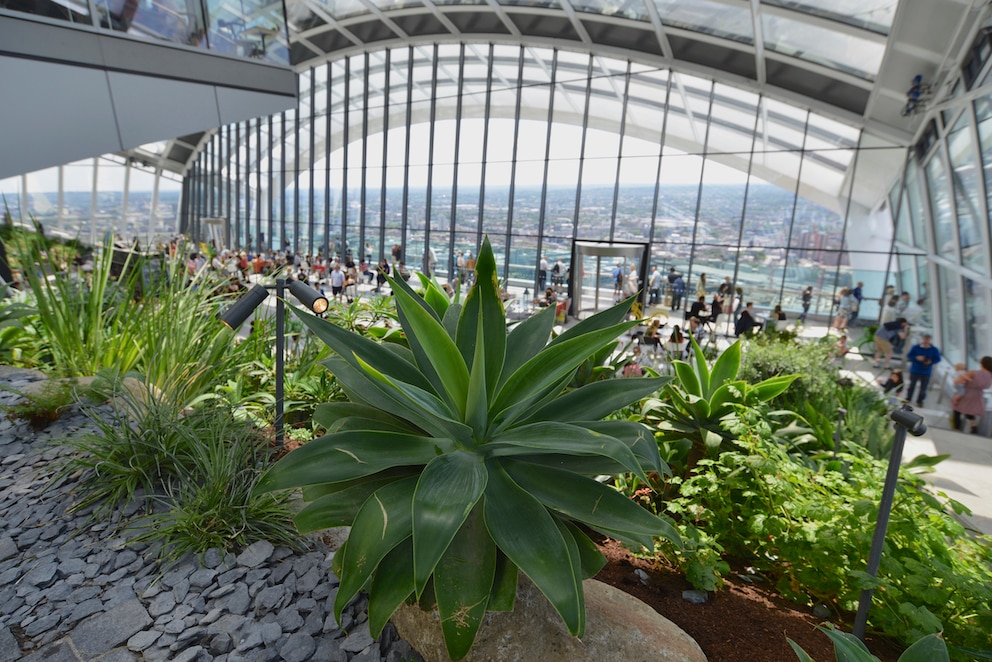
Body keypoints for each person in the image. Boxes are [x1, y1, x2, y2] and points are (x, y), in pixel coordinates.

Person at [951, 356, 992, 434]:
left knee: (957, 410)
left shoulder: (974, 372)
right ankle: (973, 425)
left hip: (966, 393)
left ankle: (957, 429)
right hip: (978, 395)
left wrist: (955, 380)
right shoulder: (990, 376)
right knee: (969, 410)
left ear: (982, 364)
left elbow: (959, 381)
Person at [905, 334, 941, 407]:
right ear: (923, 339)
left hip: (926, 371)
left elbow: (938, 359)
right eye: (925, 339)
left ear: (930, 340)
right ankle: (908, 398)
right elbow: (909, 355)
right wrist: (916, 358)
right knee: (912, 385)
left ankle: (920, 401)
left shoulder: (934, 349)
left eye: (928, 340)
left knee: (923, 387)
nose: (926, 341)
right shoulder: (916, 347)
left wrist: (931, 361)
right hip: (915, 369)